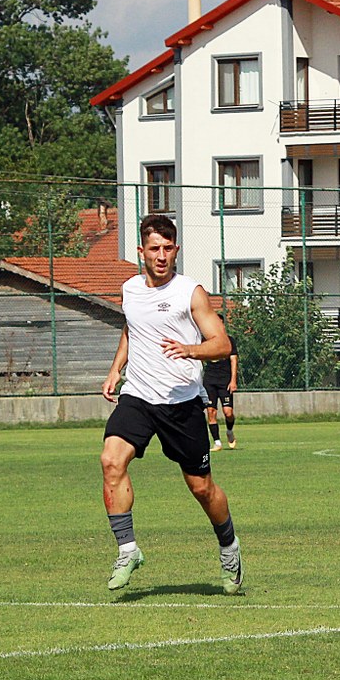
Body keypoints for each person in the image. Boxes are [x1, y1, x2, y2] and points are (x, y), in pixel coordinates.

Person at [100, 214, 244, 595]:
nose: (161, 256)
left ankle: (229, 547)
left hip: (181, 404)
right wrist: (116, 369)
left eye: (168, 249)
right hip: (139, 397)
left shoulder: (190, 292)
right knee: (111, 460)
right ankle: (128, 549)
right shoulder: (130, 289)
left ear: (176, 250)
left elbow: (223, 344)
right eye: (154, 249)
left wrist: (190, 349)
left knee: (201, 488)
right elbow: (133, 329)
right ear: (141, 252)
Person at [204, 313, 239, 450]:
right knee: (211, 411)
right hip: (209, 380)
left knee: (228, 412)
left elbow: (234, 360)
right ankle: (217, 442)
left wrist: (233, 380)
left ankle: (229, 431)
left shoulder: (229, 341)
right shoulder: (205, 340)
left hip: (225, 381)